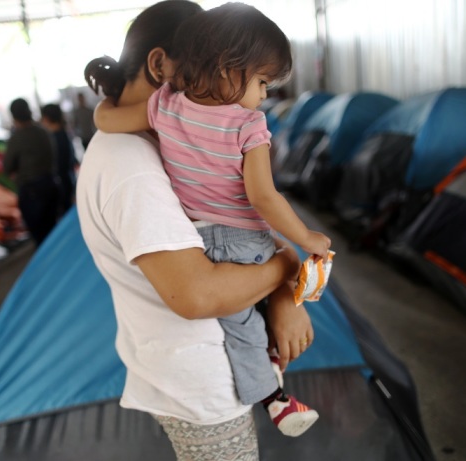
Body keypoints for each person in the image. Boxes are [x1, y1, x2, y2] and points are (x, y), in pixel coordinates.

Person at [77, 1, 313, 459]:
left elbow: (239, 229)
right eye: (208, 66)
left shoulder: (167, 143)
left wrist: (284, 292)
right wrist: (287, 264)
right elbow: (197, 295)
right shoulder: (132, 167)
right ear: (162, 65)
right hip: (201, 384)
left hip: (205, 369)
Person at [3, 98, 60, 246]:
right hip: (50, 184)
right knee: (53, 232)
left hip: (31, 192)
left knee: (40, 236)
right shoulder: (43, 131)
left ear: (13, 116)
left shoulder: (17, 137)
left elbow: (7, 167)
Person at [40, 103, 78, 216]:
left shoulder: (55, 139)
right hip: (69, 181)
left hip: (63, 184)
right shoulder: (64, 133)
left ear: (46, 118)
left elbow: (59, 165)